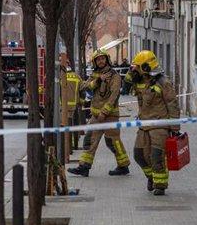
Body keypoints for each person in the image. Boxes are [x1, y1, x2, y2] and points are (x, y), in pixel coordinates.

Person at [125, 50, 181, 195]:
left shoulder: (163, 82)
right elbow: (127, 85)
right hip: (143, 125)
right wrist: (130, 74)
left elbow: (172, 104)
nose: (134, 69)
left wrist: (174, 127)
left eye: (137, 67)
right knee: (138, 155)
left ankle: (160, 185)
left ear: (145, 67)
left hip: (159, 125)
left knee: (156, 156)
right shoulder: (140, 81)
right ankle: (151, 177)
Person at [67, 49, 130, 177]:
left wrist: (105, 111)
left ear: (107, 59)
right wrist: (97, 81)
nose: (101, 61)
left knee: (112, 141)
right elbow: (83, 86)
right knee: (89, 139)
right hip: (96, 116)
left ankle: (123, 165)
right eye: (98, 59)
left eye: (103, 58)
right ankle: (84, 166)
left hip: (109, 116)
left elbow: (114, 95)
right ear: (95, 62)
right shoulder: (95, 75)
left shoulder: (114, 76)